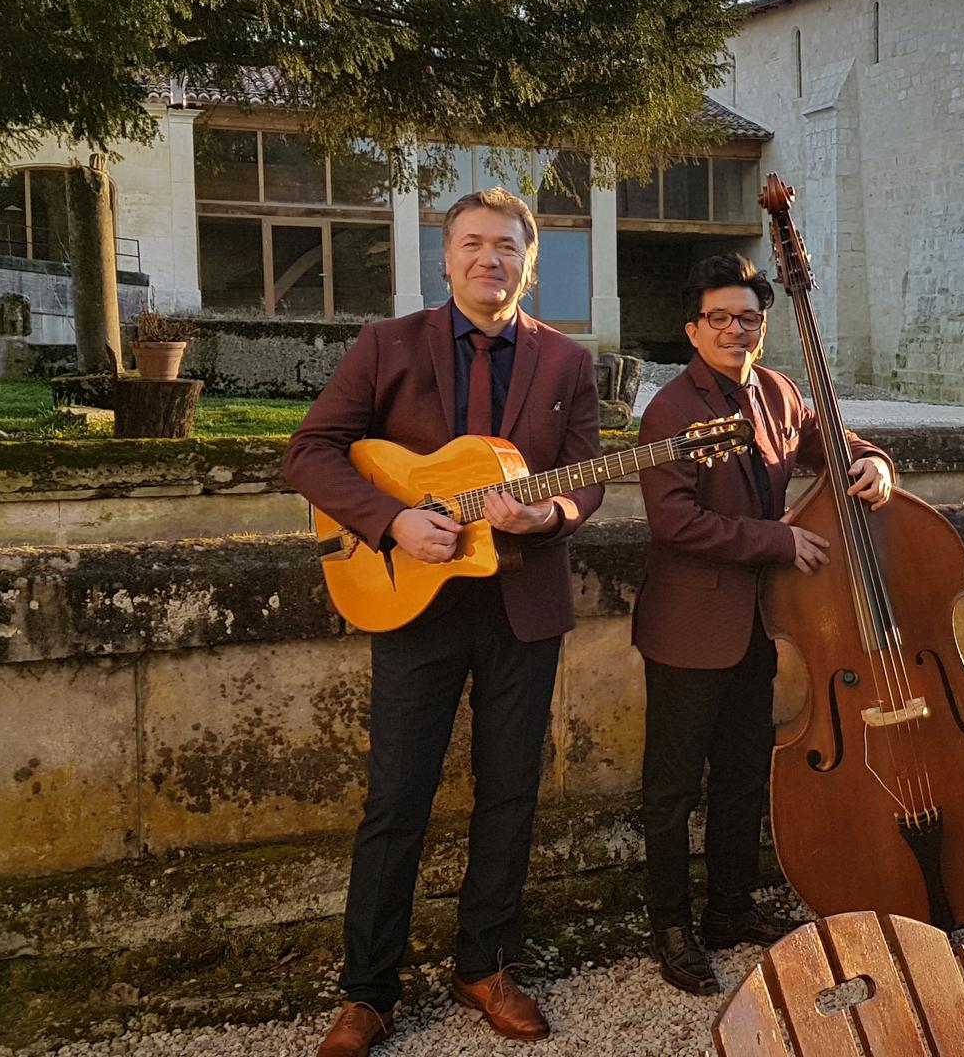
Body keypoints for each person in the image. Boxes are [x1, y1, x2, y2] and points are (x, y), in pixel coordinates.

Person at [283, 187, 604, 1055]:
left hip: (520, 606)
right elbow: (309, 451)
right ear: (446, 256)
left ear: (528, 262)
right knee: (395, 802)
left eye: (506, 246)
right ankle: (368, 992)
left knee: (510, 794)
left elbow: (587, 477)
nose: (488, 259)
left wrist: (549, 517)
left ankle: (484, 963)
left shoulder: (568, 365)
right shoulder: (388, 344)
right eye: (472, 244)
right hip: (411, 605)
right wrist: (392, 521)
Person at [632, 253, 894, 995]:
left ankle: (730, 908)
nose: (736, 329)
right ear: (693, 327)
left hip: (761, 624)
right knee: (673, 785)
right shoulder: (669, 410)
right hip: (689, 624)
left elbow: (836, 446)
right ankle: (672, 927)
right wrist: (777, 539)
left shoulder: (780, 393)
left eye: (748, 318)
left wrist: (875, 463)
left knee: (746, 774)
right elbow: (675, 521)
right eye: (720, 317)